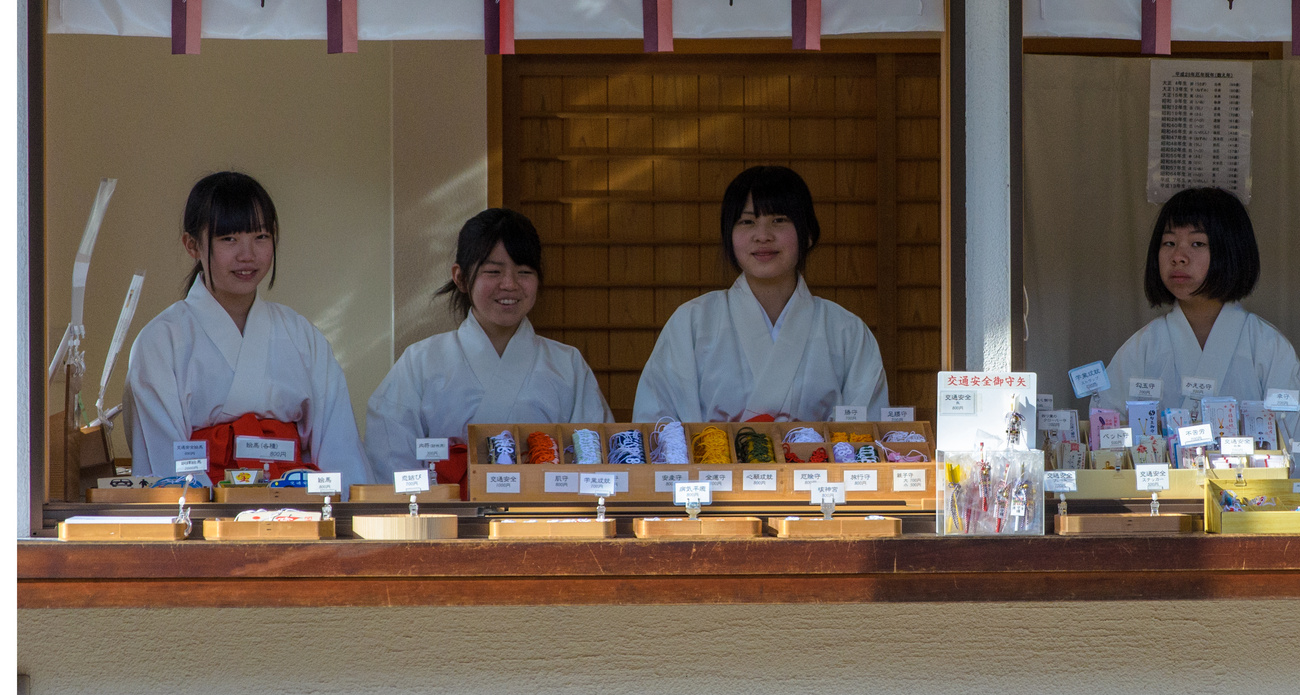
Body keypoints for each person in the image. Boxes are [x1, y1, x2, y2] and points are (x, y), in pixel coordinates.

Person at [123, 171, 369, 487]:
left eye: (260, 237)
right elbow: (166, 464)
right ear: (193, 245)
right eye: (229, 239)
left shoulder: (301, 336)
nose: (247, 255)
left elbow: (339, 449)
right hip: (205, 518)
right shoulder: (160, 341)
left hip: (297, 511)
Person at [364, 208, 611, 486]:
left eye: (524, 272)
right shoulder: (420, 362)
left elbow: (594, 458)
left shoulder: (568, 365)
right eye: (493, 271)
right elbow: (389, 453)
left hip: (545, 519)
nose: (510, 284)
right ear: (461, 278)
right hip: (444, 520)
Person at [633, 165, 888, 423]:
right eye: (747, 222)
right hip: (711, 464)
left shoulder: (846, 332)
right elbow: (657, 423)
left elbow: (866, 436)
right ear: (729, 236)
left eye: (779, 220)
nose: (763, 236)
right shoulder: (692, 323)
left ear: (808, 234)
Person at [1091, 187, 1300, 451]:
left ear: (1231, 251)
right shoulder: (1142, 348)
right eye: (1169, 243)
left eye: (1197, 243)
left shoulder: (1268, 348)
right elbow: (1106, 431)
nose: (1178, 256)